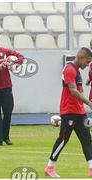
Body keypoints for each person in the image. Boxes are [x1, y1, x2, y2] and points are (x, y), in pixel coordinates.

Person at [44, 47, 92, 178]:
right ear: (81, 57)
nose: (87, 65)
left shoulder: (77, 71)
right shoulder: (69, 69)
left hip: (80, 112)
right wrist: (88, 102)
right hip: (69, 111)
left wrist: (83, 102)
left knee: (87, 138)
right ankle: (49, 167)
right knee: (63, 139)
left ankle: (91, 168)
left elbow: (80, 90)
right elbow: (73, 91)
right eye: (87, 62)